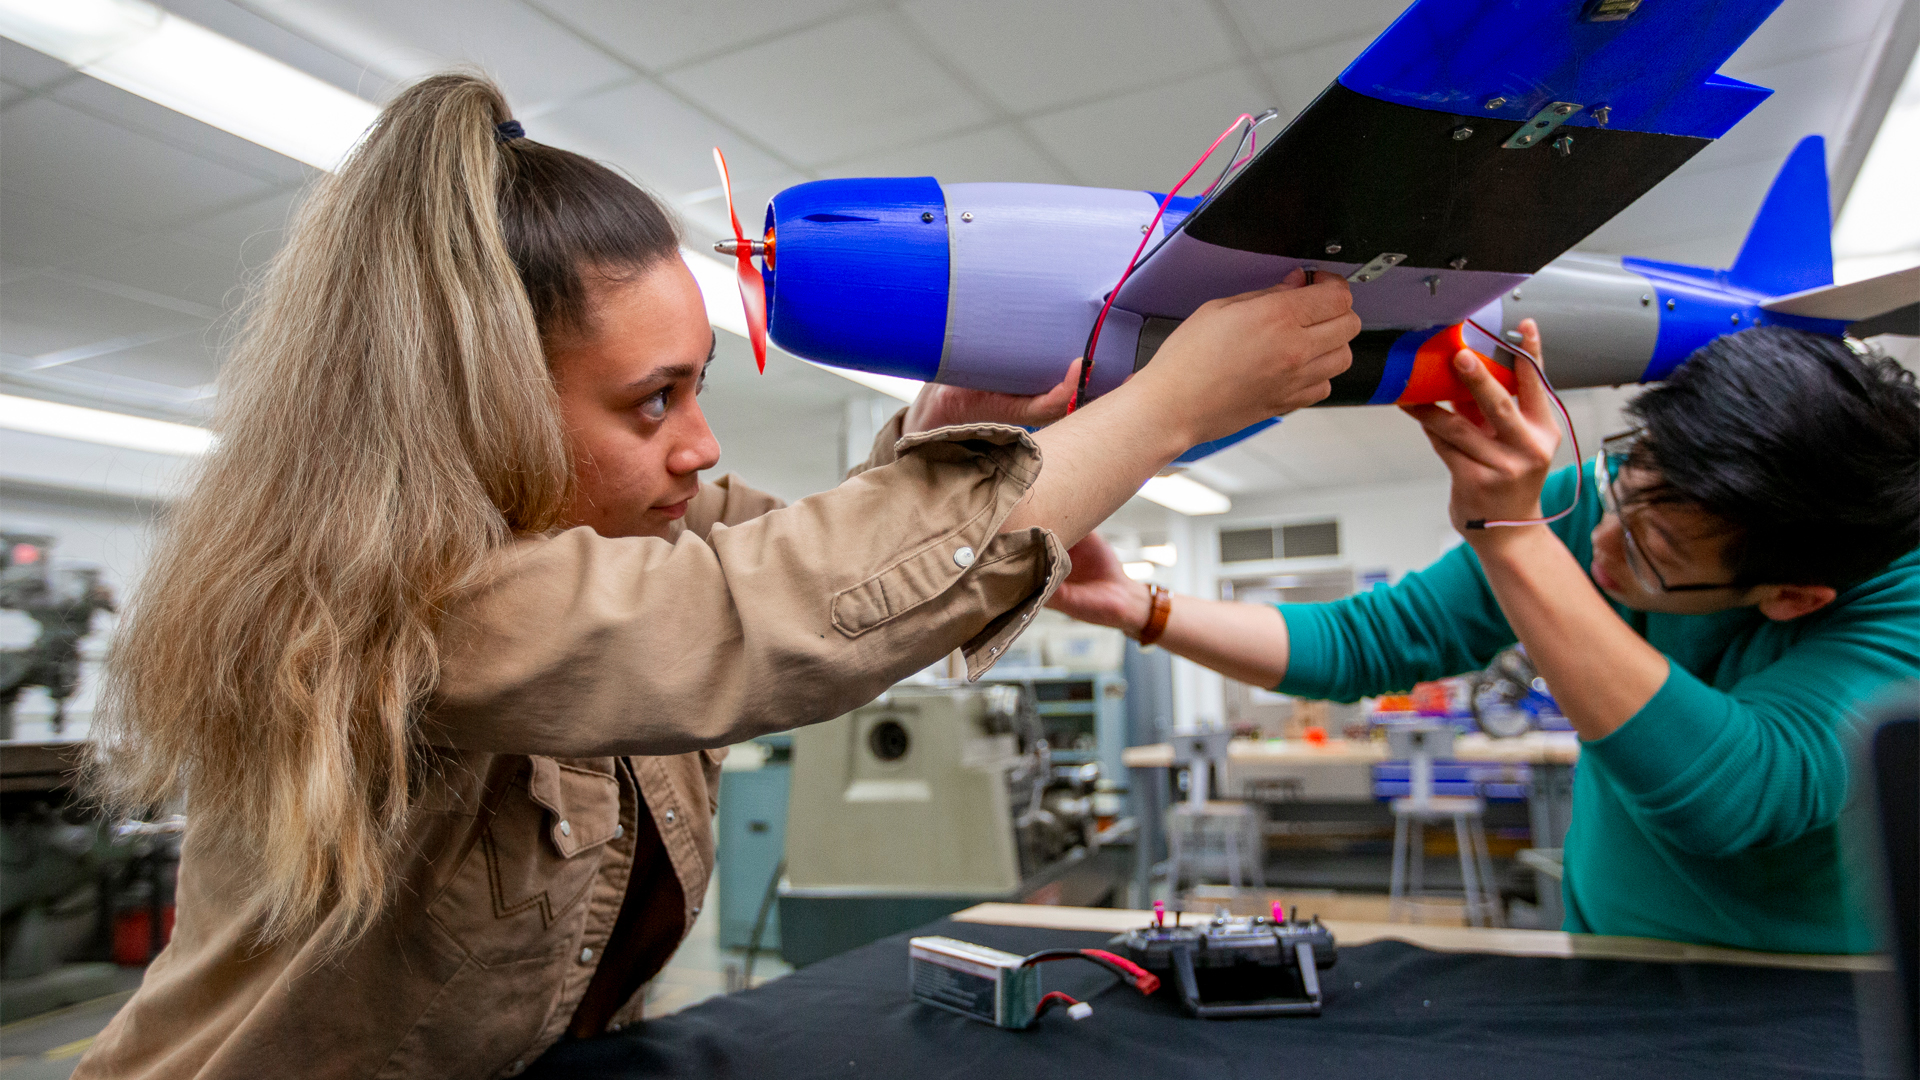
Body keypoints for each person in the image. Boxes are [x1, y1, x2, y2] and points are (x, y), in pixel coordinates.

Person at [74, 74, 1357, 1079]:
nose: (702, 445)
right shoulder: (399, 603)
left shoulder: (646, 535)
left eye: (699, 385)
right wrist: (1173, 408)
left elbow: (820, 555)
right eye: (653, 402)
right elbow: (783, 614)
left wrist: (943, 431)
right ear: (480, 413)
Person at [1052, 321, 1919, 954]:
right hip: (1607, 952)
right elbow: (1373, 641)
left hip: (1808, 994)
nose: (1604, 539)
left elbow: (1740, 791)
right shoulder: (1634, 499)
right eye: (1624, 477)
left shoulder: (1898, 603)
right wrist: (1142, 608)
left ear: (1793, 597)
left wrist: (1515, 533)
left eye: (1653, 549)